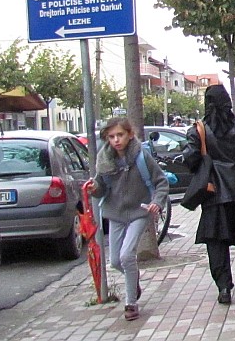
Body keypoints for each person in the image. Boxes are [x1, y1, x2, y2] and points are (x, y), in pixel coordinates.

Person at [182, 85, 235, 305]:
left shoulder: (198, 130)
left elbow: (191, 160)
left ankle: (223, 287)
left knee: (216, 241)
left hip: (215, 194)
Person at [85, 118, 169, 321]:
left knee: (126, 256)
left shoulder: (141, 156)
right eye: (111, 136)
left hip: (139, 212)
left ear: (129, 135)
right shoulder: (104, 158)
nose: (116, 140)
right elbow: (102, 187)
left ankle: (131, 303)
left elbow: (161, 181)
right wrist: (94, 188)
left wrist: (156, 202)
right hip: (116, 214)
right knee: (115, 260)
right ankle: (134, 281)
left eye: (120, 135)